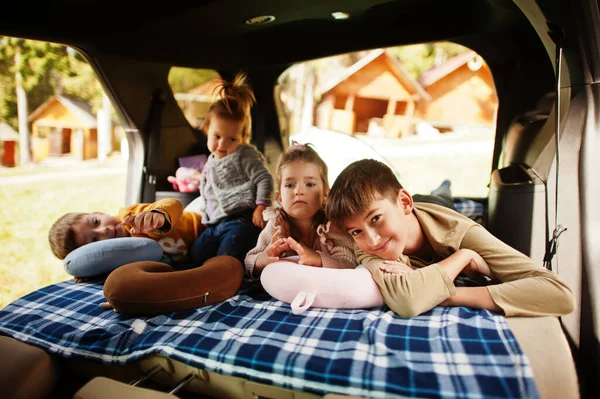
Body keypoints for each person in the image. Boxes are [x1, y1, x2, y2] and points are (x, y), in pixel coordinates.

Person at [325, 159, 575, 318]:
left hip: (434, 208)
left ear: (403, 203)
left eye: (376, 218)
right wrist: (463, 259)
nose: (372, 239)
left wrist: (445, 292)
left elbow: (558, 294)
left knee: (442, 196)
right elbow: (409, 301)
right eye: (356, 231)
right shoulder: (365, 246)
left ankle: (443, 188)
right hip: (414, 215)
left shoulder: (463, 231)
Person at [188, 73, 274, 266]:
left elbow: (264, 178)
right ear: (206, 130)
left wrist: (261, 206)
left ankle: (227, 274)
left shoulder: (245, 154)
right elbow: (208, 193)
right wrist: (206, 219)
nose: (222, 144)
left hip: (241, 220)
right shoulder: (210, 161)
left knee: (226, 258)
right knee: (195, 256)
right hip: (215, 224)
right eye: (216, 136)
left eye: (232, 139)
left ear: (244, 138)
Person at [245, 143, 356, 279]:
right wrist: (264, 258)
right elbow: (249, 262)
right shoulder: (276, 225)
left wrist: (317, 259)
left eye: (309, 184)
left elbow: (349, 262)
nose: (298, 191)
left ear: (326, 195)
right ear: (279, 197)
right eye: (290, 185)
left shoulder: (331, 226)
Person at [49, 197, 204, 281]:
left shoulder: (133, 217)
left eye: (96, 222)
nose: (105, 230)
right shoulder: (121, 255)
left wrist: (158, 214)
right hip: (196, 251)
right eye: (95, 240)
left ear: (99, 212)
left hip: (203, 222)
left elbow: (173, 204)